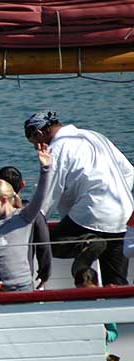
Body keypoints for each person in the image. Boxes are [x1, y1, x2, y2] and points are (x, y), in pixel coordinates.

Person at [24, 111, 133, 285]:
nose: (37, 147)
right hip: (124, 213)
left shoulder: (57, 148)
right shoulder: (95, 136)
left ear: (38, 134)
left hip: (91, 212)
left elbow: (47, 194)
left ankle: (86, 244)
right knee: (116, 282)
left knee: (54, 244)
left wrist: (27, 218)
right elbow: (128, 171)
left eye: (34, 143)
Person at [0, 144, 52, 292]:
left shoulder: (24, 217)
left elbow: (40, 197)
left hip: (22, 285)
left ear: (3, 200)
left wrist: (45, 169)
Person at [74, 268, 119, 354]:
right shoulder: (71, 306)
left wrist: (106, 334)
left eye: (90, 292)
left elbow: (114, 332)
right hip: (78, 353)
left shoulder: (103, 306)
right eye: (81, 293)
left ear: (97, 285)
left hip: (100, 353)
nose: (87, 297)